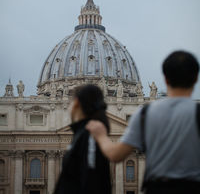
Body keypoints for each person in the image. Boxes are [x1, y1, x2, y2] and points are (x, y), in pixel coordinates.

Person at [87, 51, 200, 194]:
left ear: (165, 79)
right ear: (196, 78)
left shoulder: (145, 114)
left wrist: (101, 136)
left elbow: (116, 155)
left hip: (158, 188)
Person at [53, 84, 111, 194]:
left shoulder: (88, 136)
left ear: (76, 103)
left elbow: (91, 181)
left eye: (71, 100)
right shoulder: (80, 133)